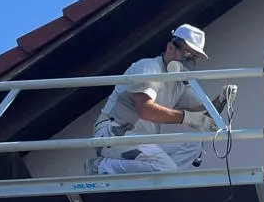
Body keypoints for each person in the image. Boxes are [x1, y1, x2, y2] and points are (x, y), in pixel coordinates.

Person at [91, 23, 219, 175]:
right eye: (187, 54)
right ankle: (102, 167)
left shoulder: (178, 86)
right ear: (170, 47)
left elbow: (205, 115)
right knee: (164, 167)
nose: (189, 61)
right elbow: (145, 110)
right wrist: (188, 118)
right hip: (115, 132)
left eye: (194, 57)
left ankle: (169, 180)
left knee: (192, 146)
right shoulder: (148, 67)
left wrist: (222, 100)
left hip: (142, 142)